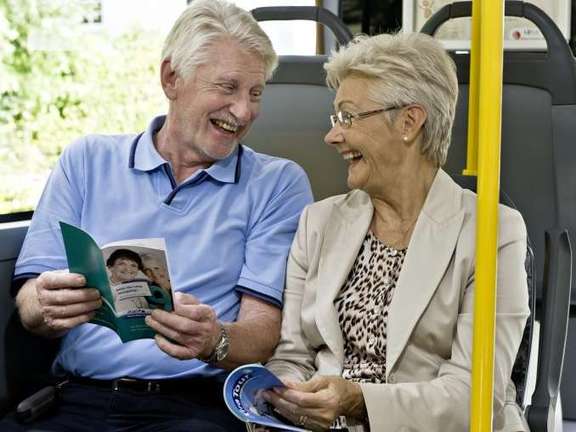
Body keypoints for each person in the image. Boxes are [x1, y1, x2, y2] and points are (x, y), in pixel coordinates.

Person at [5, 0, 313, 431]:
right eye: (227, 88)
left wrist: (215, 340)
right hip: (74, 398)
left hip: (191, 407)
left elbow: (263, 330)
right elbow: (28, 306)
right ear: (172, 78)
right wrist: (44, 303)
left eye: (255, 92)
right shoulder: (86, 160)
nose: (244, 111)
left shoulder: (277, 183)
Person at [262, 33, 530, 432]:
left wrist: (358, 402)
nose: (332, 136)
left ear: (409, 121)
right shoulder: (317, 223)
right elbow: (293, 356)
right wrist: (287, 391)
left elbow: (474, 397)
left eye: (347, 117)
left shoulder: (494, 232)